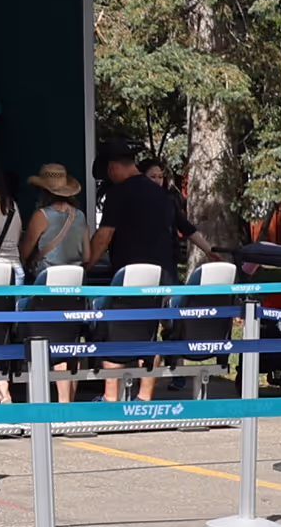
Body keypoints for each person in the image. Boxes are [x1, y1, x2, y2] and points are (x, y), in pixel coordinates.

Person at [88, 146, 209, 402]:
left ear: (113, 167)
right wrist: (211, 251)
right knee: (150, 332)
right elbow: (186, 228)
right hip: (163, 273)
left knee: (116, 330)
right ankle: (145, 396)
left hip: (130, 274)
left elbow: (104, 236)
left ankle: (111, 397)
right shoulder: (162, 194)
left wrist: (86, 265)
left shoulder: (119, 193)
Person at [19, 164, 89, 279]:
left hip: (48, 279)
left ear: (42, 191)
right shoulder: (80, 216)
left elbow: (24, 253)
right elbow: (86, 256)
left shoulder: (41, 215)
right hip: (74, 279)